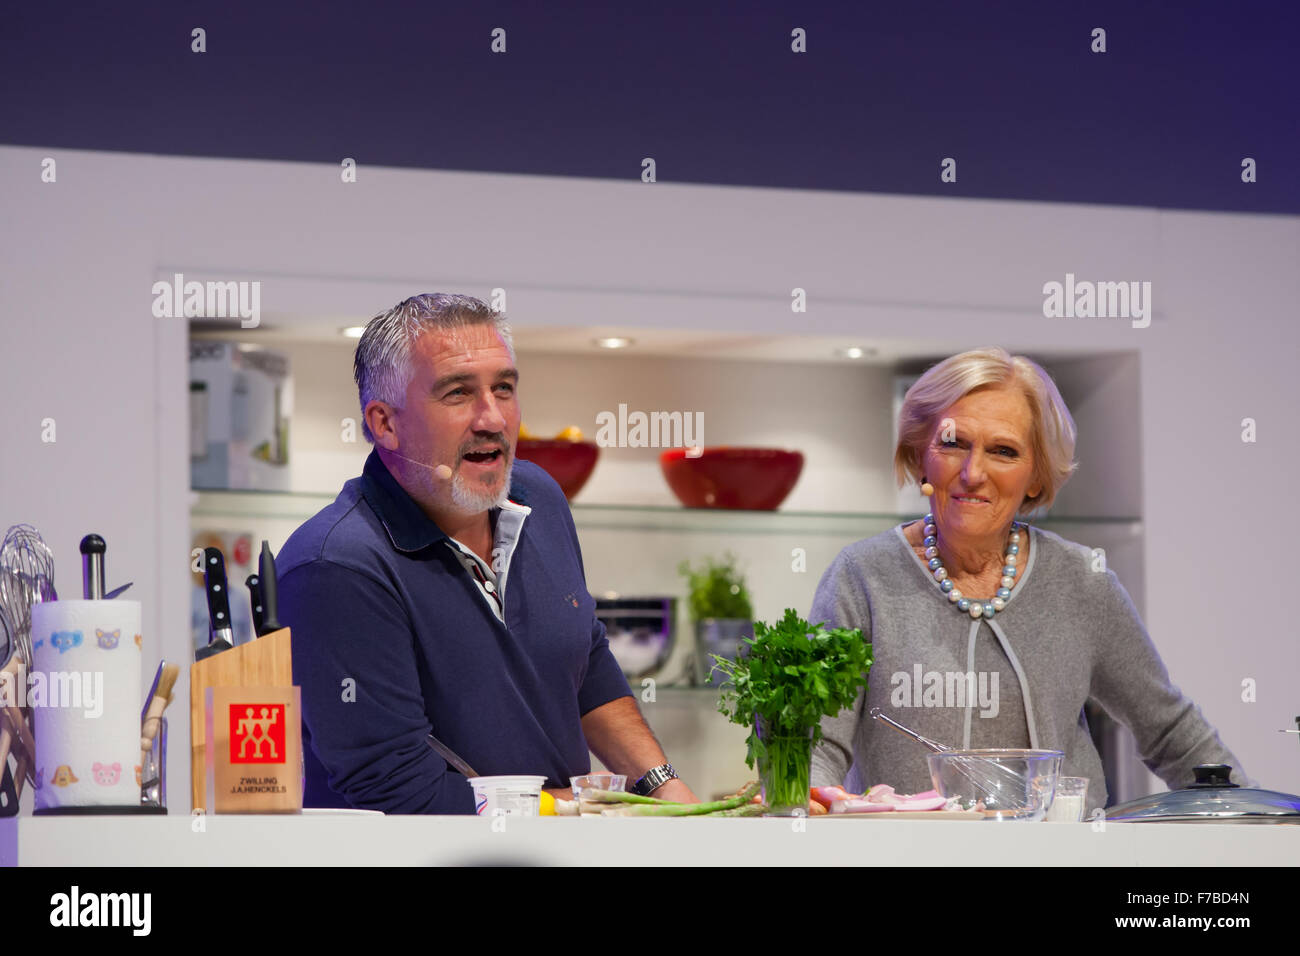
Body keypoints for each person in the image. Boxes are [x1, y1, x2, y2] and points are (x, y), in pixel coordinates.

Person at [277, 293, 698, 812]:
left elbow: (585, 667)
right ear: (385, 423)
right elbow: (398, 793)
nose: (493, 418)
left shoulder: (538, 496)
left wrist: (666, 791)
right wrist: (583, 810)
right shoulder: (334, 567)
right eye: (458, 393)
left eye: (504, 388)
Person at [809, 347, 1248, 813]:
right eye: (954, 442)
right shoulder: (861, 575)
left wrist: (1258, 823)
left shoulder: (1082, 580)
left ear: (1035, 478)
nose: (973, 473)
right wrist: (807, 805)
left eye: (1003, 451)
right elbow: (818, 744)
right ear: (920, 454)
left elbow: (1171, 732)